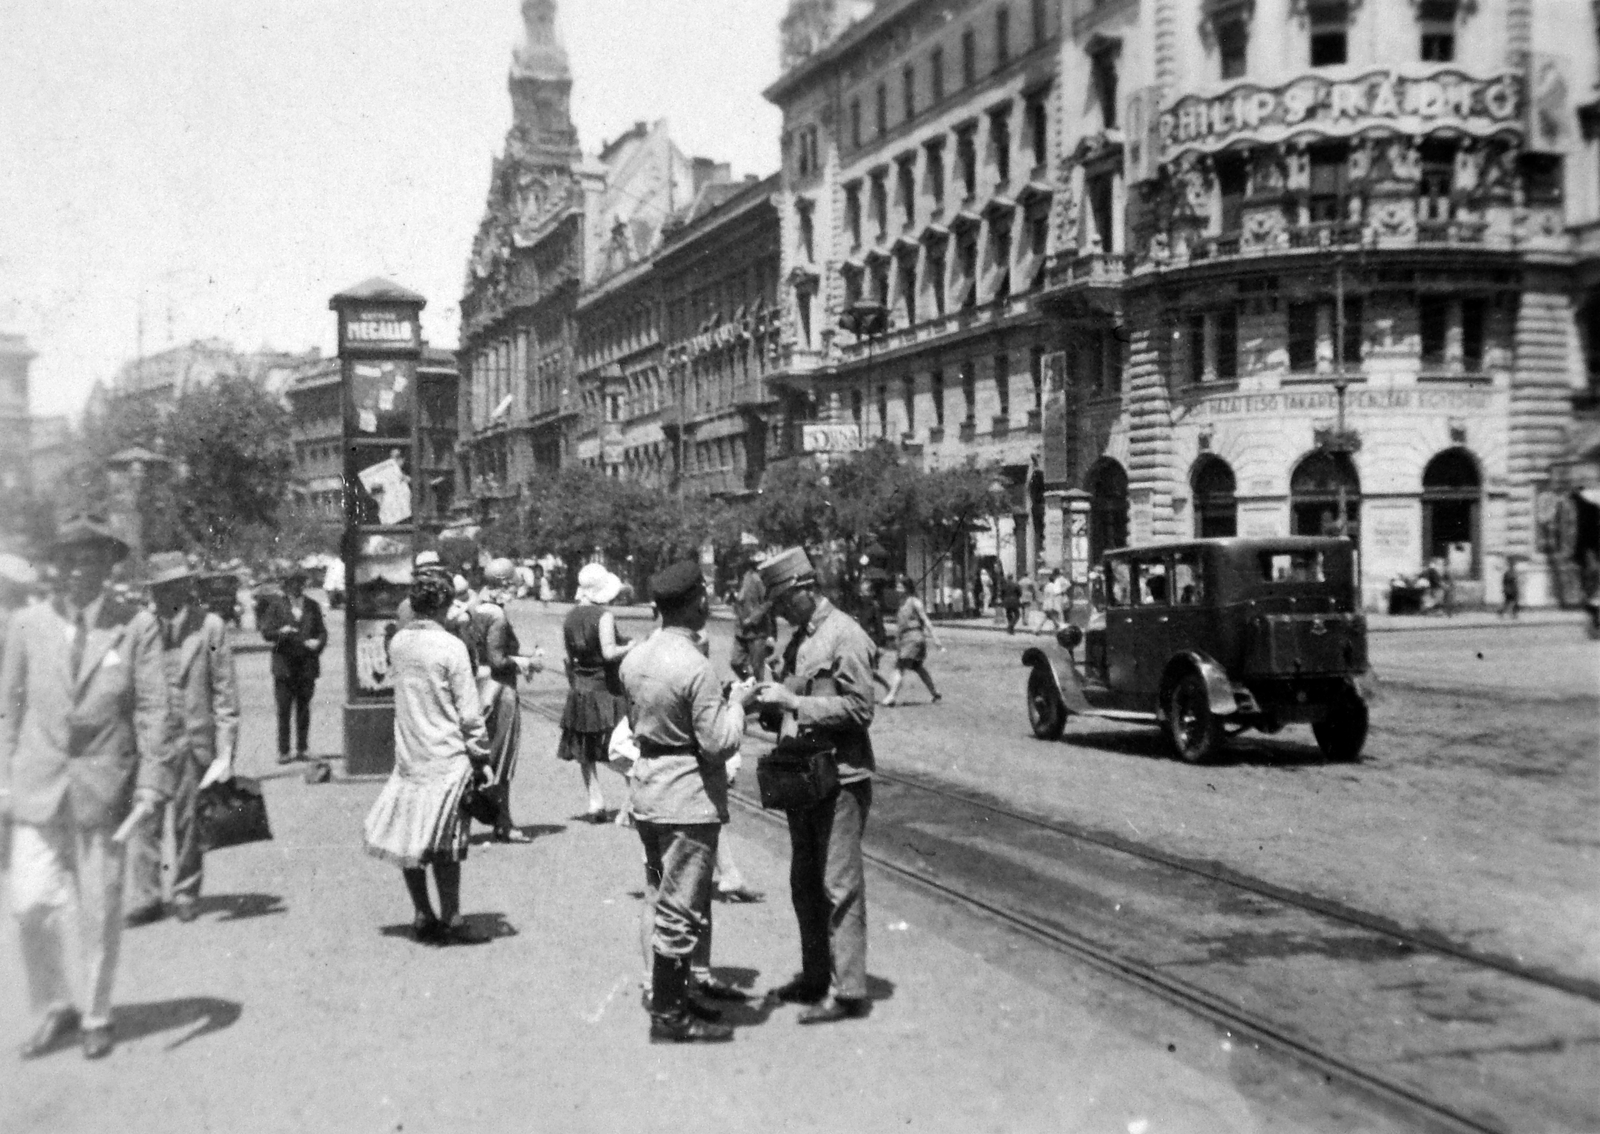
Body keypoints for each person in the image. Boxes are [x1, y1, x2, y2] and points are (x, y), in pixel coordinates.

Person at [1, 516, 176, 1060]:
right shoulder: (27, 624)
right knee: (29, 902)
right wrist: (4, 780)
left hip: (106, 788)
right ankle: (55, 1003)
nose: (79, 571)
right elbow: (9, 705)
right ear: (56, 568)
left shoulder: (135, 626)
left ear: (107, 567)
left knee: (100, 909)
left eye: (92, 560)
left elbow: (152, 708)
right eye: (70, 561)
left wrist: (151, 782)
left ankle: (97, 1012)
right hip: (38, 784)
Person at [622, 560, 758, 1043]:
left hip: (648, 793)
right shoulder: (695, 666)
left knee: (661, 892)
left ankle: (678, 995)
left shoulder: (636, 657)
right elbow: (720, 742)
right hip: (686, 799)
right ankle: (670, 1016)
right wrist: (738, 705)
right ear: (697, 602)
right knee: (682, 908)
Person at [754, 547, 877, 1024]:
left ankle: (848, 991)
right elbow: (789, 702)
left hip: (841, 777)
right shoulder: (799, 641)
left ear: (806, 588)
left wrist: (795, 704)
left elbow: (861, 709)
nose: (781, 611)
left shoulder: (846, 635)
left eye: (785, 600)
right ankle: (813, 976)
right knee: (804, 883)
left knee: (837, 884)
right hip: (802, 778)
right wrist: (766, 700)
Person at [363, 572, 493, 945]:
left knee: (411, 838)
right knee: (447, 845)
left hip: (410, 754)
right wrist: (481, 756)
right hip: (447, 757)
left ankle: (422, 913)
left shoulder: (400, 643)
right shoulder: (451, 647)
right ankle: (452, 917)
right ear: (439, 605)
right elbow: (469, 713)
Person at [125, 552, 239, 927]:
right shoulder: (139, 628)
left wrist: (225, 753)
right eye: (161, 589)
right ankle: (147, 896)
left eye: (176, 586)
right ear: (153, 591)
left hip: (194, 740)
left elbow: (224, 694)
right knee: (145, 822)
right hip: (151, 741)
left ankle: (186, 890)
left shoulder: (209, 628)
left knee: (189, 823)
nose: (169, 594)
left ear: (187, 587)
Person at [469, 558, 543, 842]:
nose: (515, 590)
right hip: (499, 690)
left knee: (482, 753)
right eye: (512, 584)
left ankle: (499, 819)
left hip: (478, 684)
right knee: (502, 756)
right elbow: (498, 659)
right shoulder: (497, 616)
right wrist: (527, 663)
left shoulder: (475, 607)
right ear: (503, 585)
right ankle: (504, 822)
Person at [558, 562, 633, 822]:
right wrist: (633, 646)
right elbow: (609, 652)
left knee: (585, 749)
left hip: (580, 688)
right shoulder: (603, 616)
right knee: (622, 743)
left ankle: (595, 801)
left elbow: (570, 659)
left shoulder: (570, 617)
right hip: (606, 688)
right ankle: (631, 800)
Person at [259, 569, 325, 763]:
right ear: (286, 586)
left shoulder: (313, 606)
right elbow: (266, 632)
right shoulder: (276, 606)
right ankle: (284, 751)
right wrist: (281, 632)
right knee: (284, 709)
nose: (297, 586)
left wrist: (318, 643)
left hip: (306, 665)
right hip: (284, 665)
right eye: (293, 583)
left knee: (304, 709)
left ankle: (303, 749)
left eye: (300, 583)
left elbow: (322, 631)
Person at [882, 575, 943, 707]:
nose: (897, 587)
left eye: (900, 585)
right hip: (906, 639)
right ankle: (935, 692)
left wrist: (936, 639)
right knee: (917, 667)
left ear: (907, 587)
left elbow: (926, 620)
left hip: (914, 637)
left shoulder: (915, 602)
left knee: (900, 666)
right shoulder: (902, 602)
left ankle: (891, 696)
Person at [729, 553, 774, 681]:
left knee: (757, 667)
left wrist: (753, 618)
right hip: (742, 630)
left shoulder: (761, 581)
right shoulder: (745, 577)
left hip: (757, 632)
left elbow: (767, 603)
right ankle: (750, 681)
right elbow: (740, 599)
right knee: (736, 662)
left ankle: (760, 693)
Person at [1039, 569, 1067, 636]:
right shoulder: (1053, 587)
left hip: (1046, 603)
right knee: (1054, 617)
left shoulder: (1047, 586)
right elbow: (1056, 594)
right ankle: (1060, 628)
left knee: (1047, 617)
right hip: (1051, 604)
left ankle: (1038, 629)